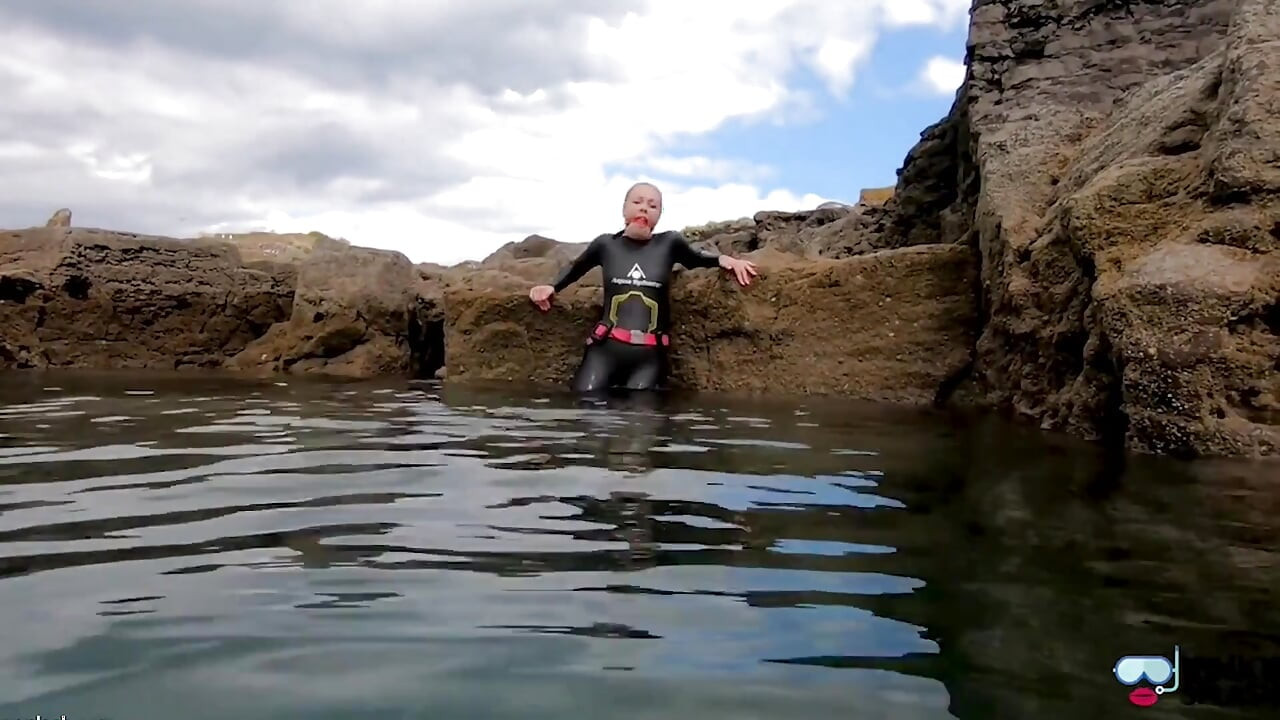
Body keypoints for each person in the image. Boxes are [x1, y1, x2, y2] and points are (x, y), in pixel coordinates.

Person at [528, 182, 759, 393]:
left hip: (648, 358)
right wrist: (551, 287)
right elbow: (576, 267)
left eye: (653, 205)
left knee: (640, 422)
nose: (644, 209)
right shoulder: (606, 244)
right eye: (637, 202)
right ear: (624, 209)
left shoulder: (669, 243)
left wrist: (728, 261)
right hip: (604, 350)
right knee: (586, 408)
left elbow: (696, 258)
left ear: (659, 215)